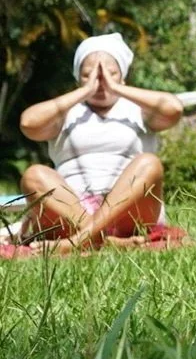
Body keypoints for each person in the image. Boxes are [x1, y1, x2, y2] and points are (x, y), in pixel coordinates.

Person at [17, 33, 184, 252]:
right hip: (71, 212)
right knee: (33, 175)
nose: (100, 81)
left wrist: (116, 88)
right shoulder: (65, 112)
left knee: (149, 163)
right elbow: (28, 123)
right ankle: (105, 241)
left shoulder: (138, 110)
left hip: (129, 211)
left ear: (122, 76)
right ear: (78, 79)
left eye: (111, 74)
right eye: (88, 75)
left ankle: (79, 242)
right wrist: (84, 92)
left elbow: (174, 109)